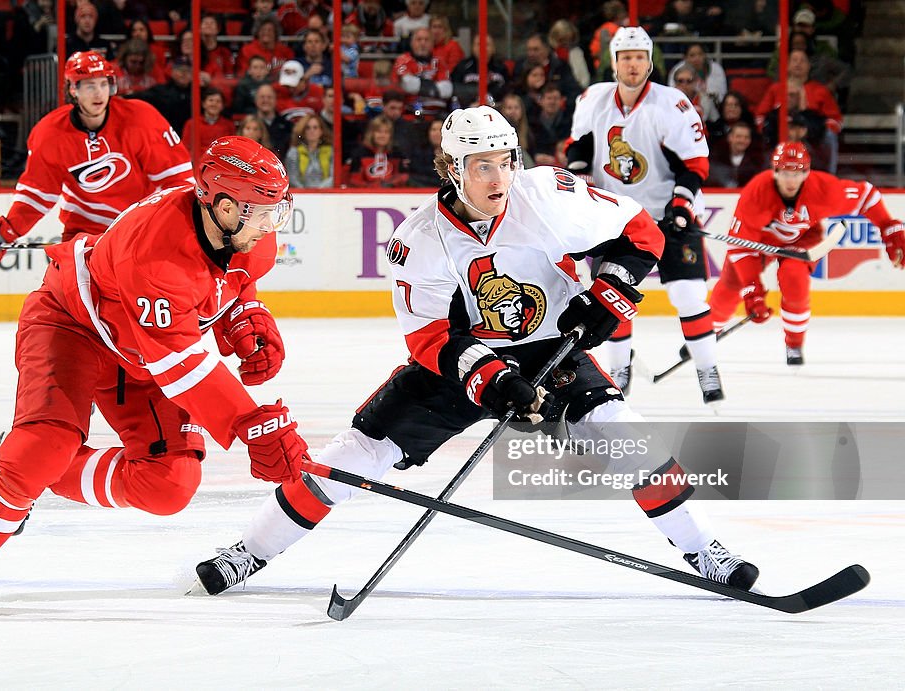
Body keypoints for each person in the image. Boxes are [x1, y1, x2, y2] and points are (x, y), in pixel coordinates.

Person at [189, 106, 759, 597]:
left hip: (551, 351)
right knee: (352, 456)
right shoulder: (418, 240)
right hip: (455, 369)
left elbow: (641, 233)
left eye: (507, 160)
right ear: (452, 169)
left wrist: (607, 295)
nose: (499, 176)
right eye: (482, 165)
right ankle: (251, 550)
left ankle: (706, 550)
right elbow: (432, 339)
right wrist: (495, 380)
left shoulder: (549, 194)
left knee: (624, 432)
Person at [0, 136, 309, 613]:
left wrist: (244, 317)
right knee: (43, 444)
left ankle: (31, 473)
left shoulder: (252, 241)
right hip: (73, 326)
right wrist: (251, 424)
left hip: (142, 348)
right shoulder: (156, 255)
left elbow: (229, 285)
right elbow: (180, 365)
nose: (271, 225)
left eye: (276, 210)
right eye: (261, 211)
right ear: (225, 208)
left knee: (168, 485)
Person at [565, 27, 723, 406]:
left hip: (668, 217)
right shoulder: (592, 99)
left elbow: (695, 163)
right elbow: (579, 148)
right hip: (616, 220)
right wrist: (583, 178)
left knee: (689, 295)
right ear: (614, 63)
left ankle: (707, 367)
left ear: (649, 62)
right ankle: (619, 370)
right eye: (625, 57)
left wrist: (681, 203)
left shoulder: (673, 104)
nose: (632, 64)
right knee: (610, 295)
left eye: (639, 56)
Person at [0, 51, 193, 257]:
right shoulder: (50, 134)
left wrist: (185, 230)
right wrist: (6, 230)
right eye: (90, 86)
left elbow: (177, 182)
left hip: (137, 230)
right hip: (83, 236)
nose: (99, 93)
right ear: (73, 89)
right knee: (51, 301)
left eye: (104, 84)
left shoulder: (141, 119)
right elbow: (38, 194)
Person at [709, 142, 904, 365]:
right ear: (774, 171)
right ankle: (704, 336)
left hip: (802, 239)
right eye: (785, 173)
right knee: (730, 286)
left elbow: (867, 196)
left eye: (798, 173)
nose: (791, 180)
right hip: (760, 243)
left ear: (806, 172)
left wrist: (888, 227)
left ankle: (794, 343)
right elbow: (741, 246)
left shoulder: (823, 189)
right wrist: (752, 289)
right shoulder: (756, 192)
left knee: (794, 277)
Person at [705, 121, 765, 188]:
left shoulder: (757, 161)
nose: (742, 140)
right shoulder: (716, 158)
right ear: (730, 138)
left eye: (746, 137)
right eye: (738, 137)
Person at [182, 86, 235, 157]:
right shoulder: (191, 124)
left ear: (222, 106)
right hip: (197, 164)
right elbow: (186, 148)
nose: (214, 104)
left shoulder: (229, 125)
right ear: (203, 104)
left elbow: (232, 149)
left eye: (218, 101)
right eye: (211, 100)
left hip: (220, 164)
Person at [284, 113, 334, 188]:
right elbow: (292, 178)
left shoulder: (330, 151)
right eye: (308, 128)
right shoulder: (293, 153)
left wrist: (319, 191)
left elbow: (333, 177)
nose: (312, 131)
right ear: (303, 131)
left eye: (315, 127)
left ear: (321, 131)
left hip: (325, 195)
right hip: (302, 196)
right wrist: (306, 193)